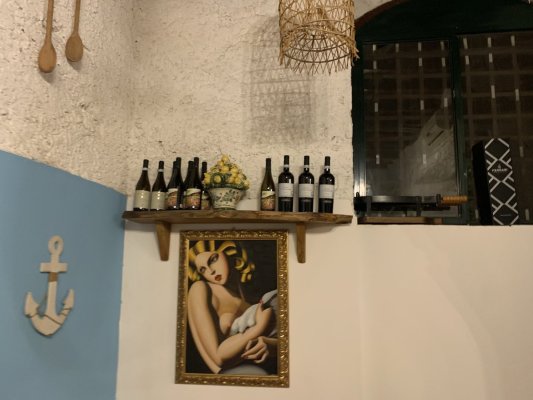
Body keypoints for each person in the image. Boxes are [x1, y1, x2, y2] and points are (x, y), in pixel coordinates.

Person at [186, 240, 278, 375]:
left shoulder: (249, 298)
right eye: (203, 269)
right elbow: (218, 358)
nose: (211, 271)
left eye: (213, 259)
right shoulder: (201, 289)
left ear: (229, 252)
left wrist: (273, 345)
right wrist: (259, 328)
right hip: (233, 375)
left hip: (263, 371)